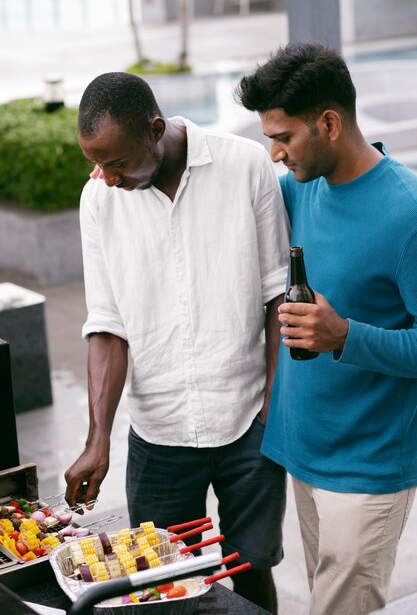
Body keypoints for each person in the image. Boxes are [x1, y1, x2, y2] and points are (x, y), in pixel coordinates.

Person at [64, 71, 290, 612]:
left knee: (252, 570)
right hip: (158, 436)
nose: (106, 177)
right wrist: (99, 439)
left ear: (155, 130)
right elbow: (106, 324)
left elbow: (277, 300)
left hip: (249, 428)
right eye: (95, 162)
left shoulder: (244, 166)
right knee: (160, 591)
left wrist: (273, 411)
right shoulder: (98, 200)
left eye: (116, 162)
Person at [235, 42, 417, 615]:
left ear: (330, 123)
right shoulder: (300, 185)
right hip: (305, 452)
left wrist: (344, 336)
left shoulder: (407, 212)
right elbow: (222, 186)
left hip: (367, 468)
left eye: (283, 136)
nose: (272, 153)